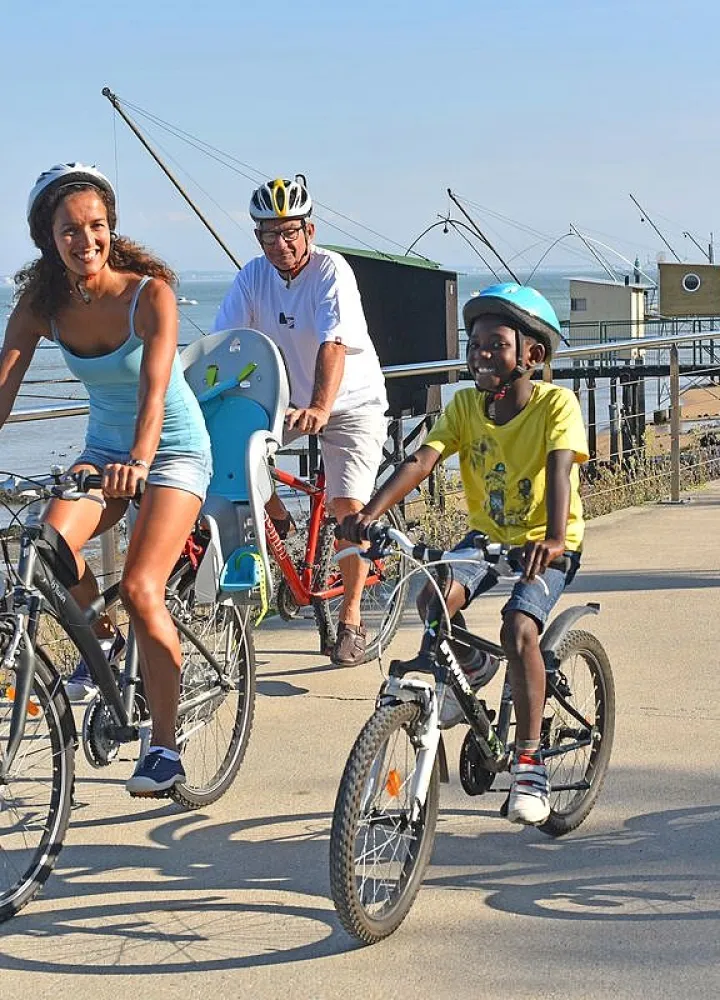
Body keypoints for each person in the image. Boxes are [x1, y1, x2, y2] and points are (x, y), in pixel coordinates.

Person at [339, 283, 589, 826]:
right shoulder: (466, 408)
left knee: (519, 629)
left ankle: (528, 763)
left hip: (547, 542)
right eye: (473, 342)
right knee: (432, 598)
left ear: (532, 355)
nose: (480, 353)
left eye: (496, 344)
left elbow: (561, 467)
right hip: (486, 536)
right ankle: (471, 667)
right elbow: (421, 462)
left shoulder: (555, 405)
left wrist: (550, 536)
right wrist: (371, 512)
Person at [0, 162, 213, 797]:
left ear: (110, 228)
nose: (84, 240)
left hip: (170, 450)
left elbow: (153, 395)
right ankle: (103, 642)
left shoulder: (149, 295)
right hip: (103, 450)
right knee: (48, 544)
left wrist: (142, 463)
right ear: (48, 236)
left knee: (145, 586)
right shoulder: (42, 305)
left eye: (96, 226)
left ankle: (166, 748)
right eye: (70, 229)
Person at [212, 175, 388, 666]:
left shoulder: (332, 271)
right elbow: (221, 344)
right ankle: (284, 527)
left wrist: (321, 408)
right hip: (288, 400)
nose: (281, 244)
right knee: (232, 458)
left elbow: (333, 342)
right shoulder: (252, 277)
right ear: (257, 237)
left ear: (309, 230)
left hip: (350, 401)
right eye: (269, 234)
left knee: (348, 509)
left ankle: (352, 619)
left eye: (290, 232)